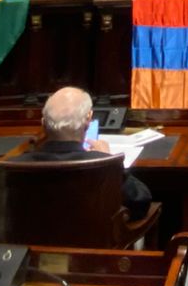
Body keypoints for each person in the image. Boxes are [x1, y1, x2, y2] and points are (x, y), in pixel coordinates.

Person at [15, 87, 153, 220]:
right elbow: (140, 202)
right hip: (96, 236)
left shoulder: (14, 166)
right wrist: (110, 161)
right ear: (88, 120)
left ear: (43, 123)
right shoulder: (102, 163)